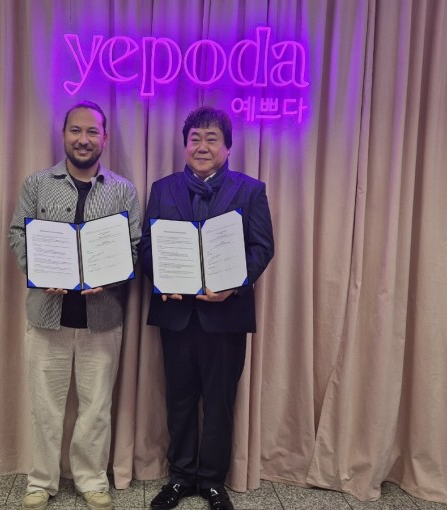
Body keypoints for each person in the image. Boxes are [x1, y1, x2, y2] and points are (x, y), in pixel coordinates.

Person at [139, 107, 274, 510]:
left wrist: (232, 285)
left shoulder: (250, 190)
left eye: (212, 139)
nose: (202, 146)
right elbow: (147, 244)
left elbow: (262, 247)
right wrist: (163, 277)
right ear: (185, 145)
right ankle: (181, 477)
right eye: (194, 138)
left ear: (227, 147)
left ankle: (213, 481)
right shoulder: (162, 189)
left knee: (219, 402)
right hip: (177, 315)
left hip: (226, 317)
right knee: (179, 400)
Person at [9, 101, 141, 510]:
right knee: (45, 408)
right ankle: (41, 481)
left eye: (92, 132)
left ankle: (91, 479)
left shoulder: (123, 190)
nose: (84, 139)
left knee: (96, 408)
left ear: (105, 138)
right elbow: (17, 234)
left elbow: (134, 246)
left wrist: (112, 276)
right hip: (47, 317)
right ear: (64, 134)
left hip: (102, 320)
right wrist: (38, 270)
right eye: (76, 131)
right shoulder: (36, 184)